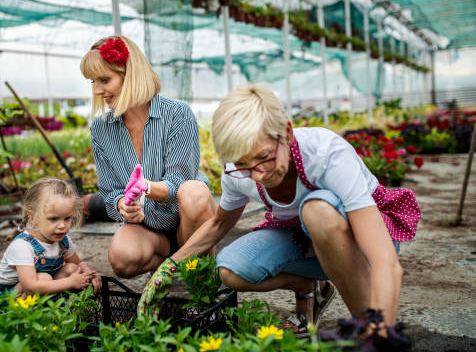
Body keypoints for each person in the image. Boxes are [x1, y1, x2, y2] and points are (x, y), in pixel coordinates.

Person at [140, 84, 420, 334]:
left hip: (365, 238)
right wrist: (168, 267)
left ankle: (368, 331)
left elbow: (386, 262)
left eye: (264, 158)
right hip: (306, 239)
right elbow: (217, 225)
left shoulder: (326, 155)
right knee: (229, 269)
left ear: (285, 132)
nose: (258, 175)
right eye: (243, 164)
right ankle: (310, 287)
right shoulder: (239, 173)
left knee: (316, 210)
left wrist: (381, 333)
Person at [80, 35, 216, 278]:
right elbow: (110, 191)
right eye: (93, 82)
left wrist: (145, 188)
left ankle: (202, 279)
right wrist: (123, 205)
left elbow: (180, 183)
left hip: (186, 221)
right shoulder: (101, 128)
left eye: (104, 79)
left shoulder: (177, 113)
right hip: (150, 230)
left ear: (130, 75)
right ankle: (175, 261)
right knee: (123, 258)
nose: (98, 90)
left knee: (194, 192)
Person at [0, 177, 102, 296]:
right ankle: (39, 312)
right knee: (44, 278)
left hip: (41, 286)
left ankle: (58, 307)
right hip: (7, 297)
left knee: (73, 269)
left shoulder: (63, 241)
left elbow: (78, 262)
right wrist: (70, 282)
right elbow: (31, 286)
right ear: (32, 217)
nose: (62, 226)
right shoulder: (23, 247)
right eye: (53, 219)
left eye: (67, 218)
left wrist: (90, 275)